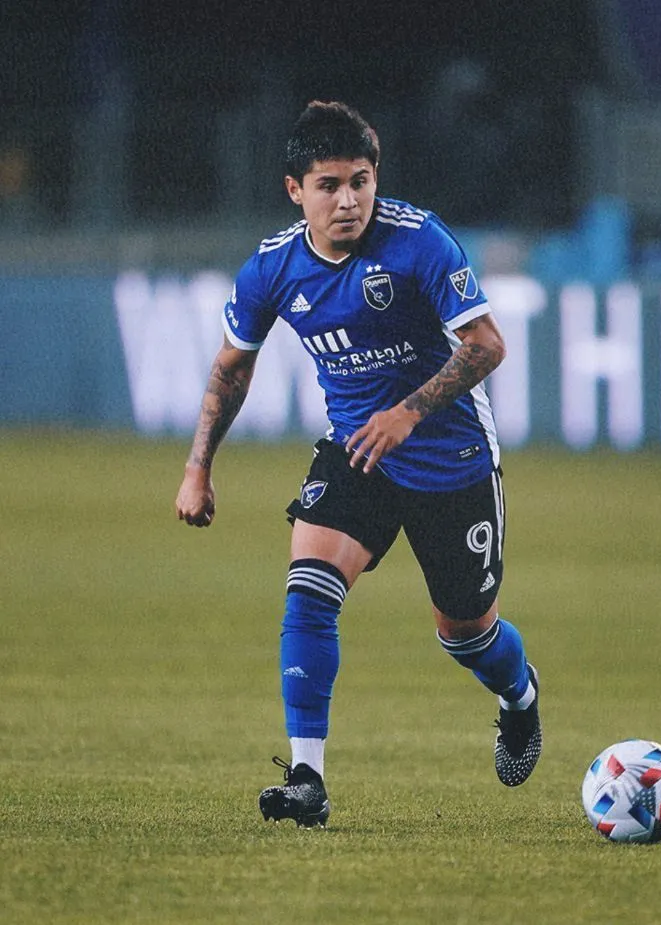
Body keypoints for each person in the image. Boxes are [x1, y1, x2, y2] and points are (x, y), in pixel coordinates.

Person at [175, 100, 541, 827]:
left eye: (361, 180)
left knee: (465, 634)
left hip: (452, 458)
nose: (348, 199)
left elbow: (489, 344)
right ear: (295, 190)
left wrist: (410, 410)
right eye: (330, 184)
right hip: (359, 457)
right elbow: (230, 370)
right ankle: (307, 776)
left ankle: (520, 697)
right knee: (308, 587)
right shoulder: (273, 267)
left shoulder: (419, 241)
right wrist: (198, 467)